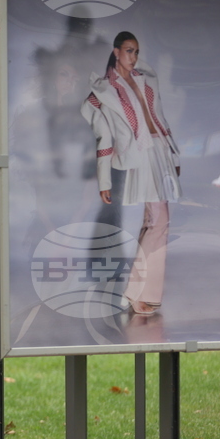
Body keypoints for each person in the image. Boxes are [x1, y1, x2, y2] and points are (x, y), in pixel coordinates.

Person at [82, 31, 181, 316]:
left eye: (136, 51)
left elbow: (159, 116)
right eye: (128, 50)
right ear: (116, 52)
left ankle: (139, 294)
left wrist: (173, 153)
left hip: (160, 151)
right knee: (159, 220)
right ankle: (137, 293)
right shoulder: (103, 90)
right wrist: (104, 179)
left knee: (155, 220)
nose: (133, 56)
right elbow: (103, 137)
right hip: (140, 155)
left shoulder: (145, 78)